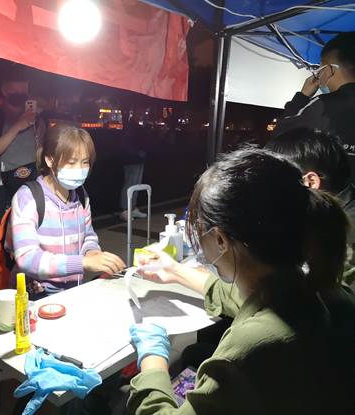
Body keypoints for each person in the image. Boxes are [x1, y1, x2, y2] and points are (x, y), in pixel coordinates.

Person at [128, 148, 355, 414]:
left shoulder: (251, 347)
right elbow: (238, 297)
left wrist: (153, 362)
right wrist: (176, 271)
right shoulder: (322, 290)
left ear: (220, 239)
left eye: (199, 229)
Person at [5, 125, 125, 299]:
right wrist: (83, 262)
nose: (80, 169)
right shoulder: (27, 198)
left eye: (85, 162)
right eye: (71, 162)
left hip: (73, 291)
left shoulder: (81, 195)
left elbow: (88, 235)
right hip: (36, 296)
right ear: (49, 160)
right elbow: (27, 258)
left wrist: (92, 252)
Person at [265, 128, 355, 285]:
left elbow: (312, 292)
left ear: (310, 182)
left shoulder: (343, 235)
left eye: (274, 183)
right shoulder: (327, 215)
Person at [274, 32, 355, 180]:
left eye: (319, 69)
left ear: (329, 70)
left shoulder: (323, 105)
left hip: (335, 193)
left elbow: (278, 144)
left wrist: (302, 96)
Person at [0, 72, 46, 225]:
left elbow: (41, 151)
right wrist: (18, 126)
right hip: (5, 186)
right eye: (15, 91)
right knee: (6, 231)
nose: (20, 95)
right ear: (4, 90)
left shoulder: (36, 118)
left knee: (34, 226)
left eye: (24, 92)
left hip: (34, 183)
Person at [119, 108, 148, 221]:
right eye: (140, 112)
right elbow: (124, 145)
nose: (142, 114)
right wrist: (137, 152)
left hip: (137, 159)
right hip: (131, 160)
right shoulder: (131, 126)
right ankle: (125, 210)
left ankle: (132, 208)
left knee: (135, 184)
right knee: (130, 184)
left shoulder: (136, 126)